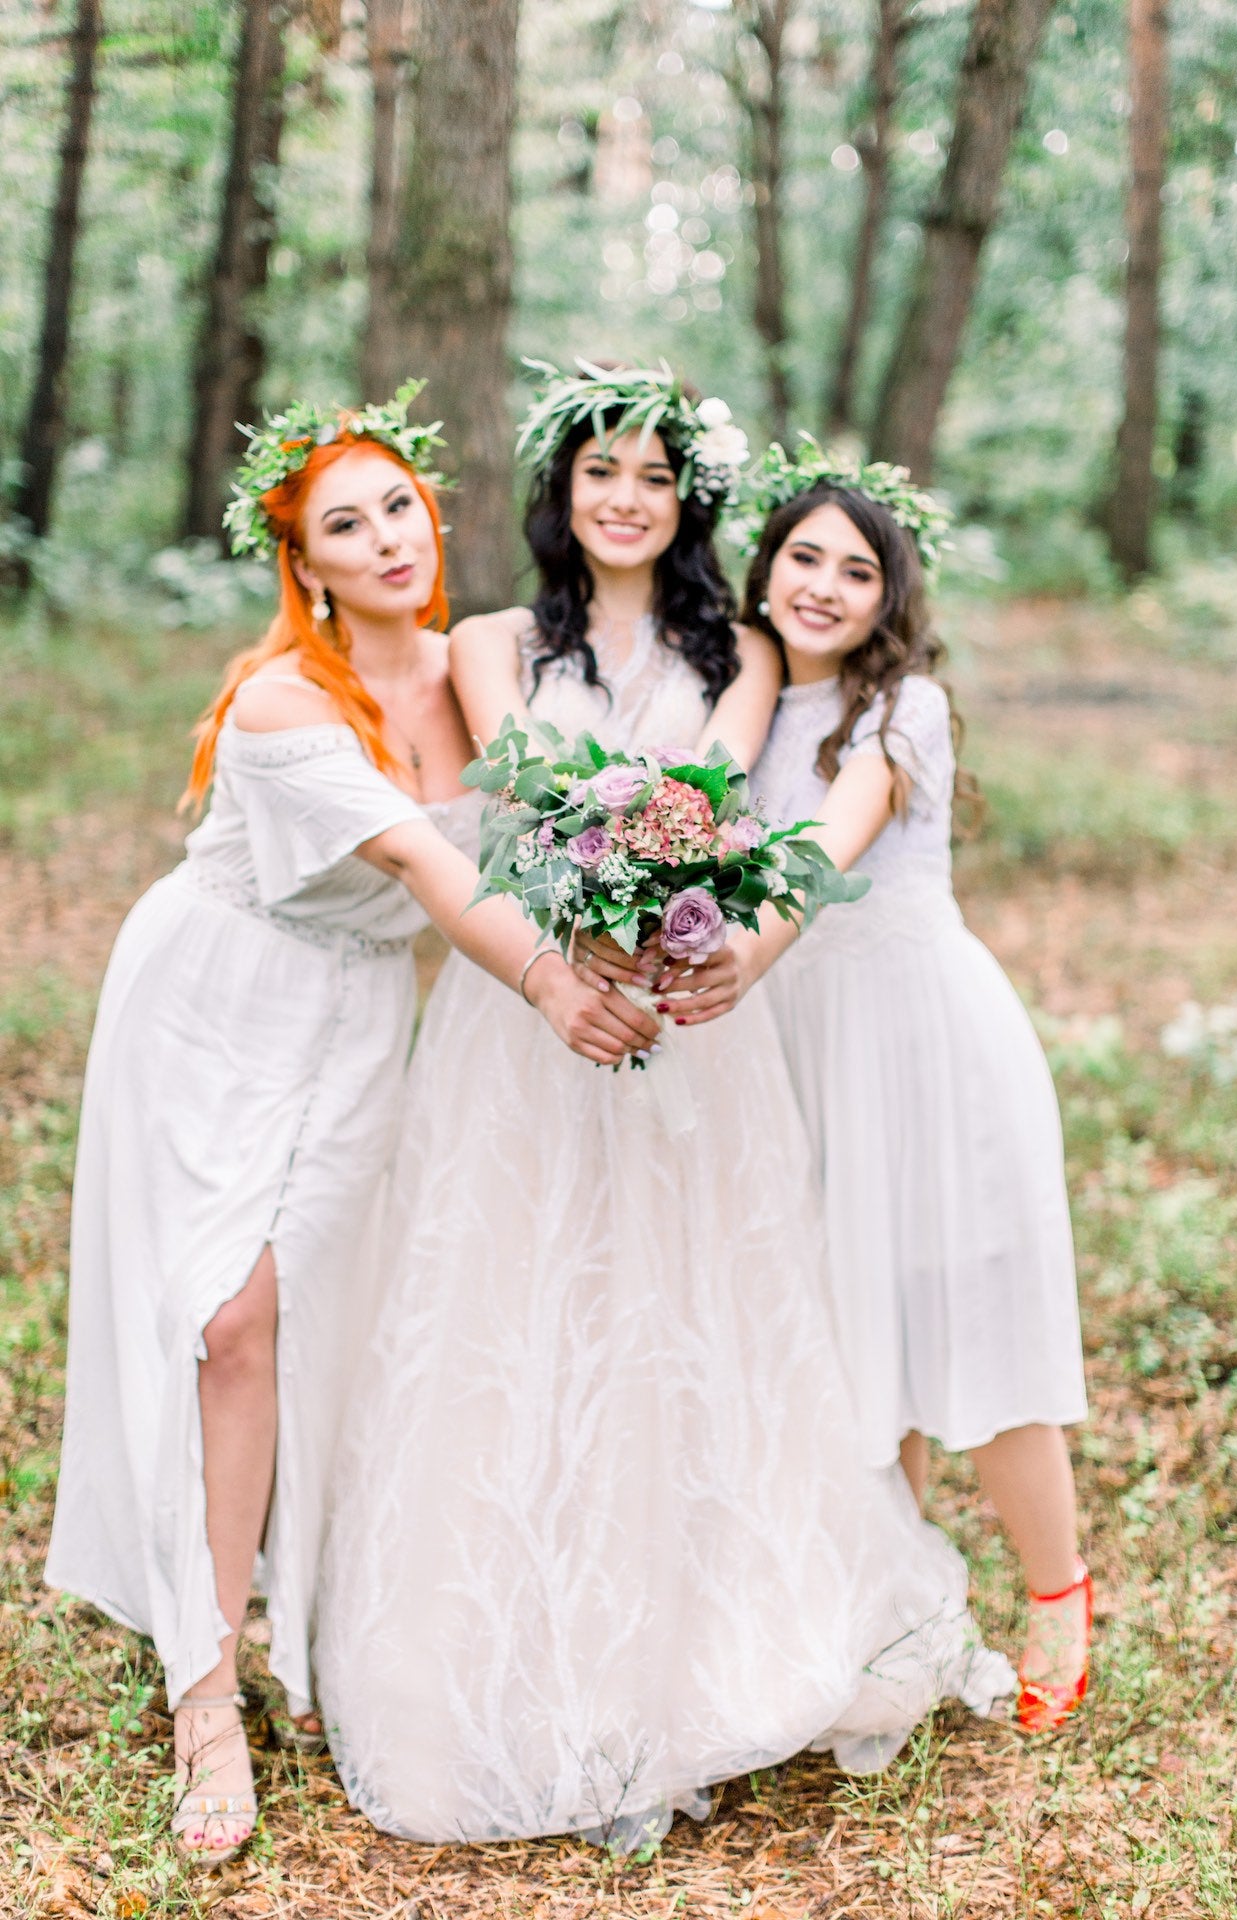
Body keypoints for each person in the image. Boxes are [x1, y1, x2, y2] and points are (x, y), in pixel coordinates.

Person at [315, 363, 1011, 1852]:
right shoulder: (491, 640)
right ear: (562, 497)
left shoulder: (743, 647)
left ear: (686, 498)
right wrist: (583, 929)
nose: (624, 499)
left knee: (692, 1317)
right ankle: (501, 1657)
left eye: (650, 475)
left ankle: (697, 1648)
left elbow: (712, 796)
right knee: (522, 1303)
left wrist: (680, 925)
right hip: (533, 1011)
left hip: (690, 1011)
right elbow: (527, 779)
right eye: (596, 474)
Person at [44, 390, 655, 1867]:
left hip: (364, 1020)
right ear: (301, 563)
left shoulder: (485, 667)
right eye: (346, 525)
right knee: (224, 1316)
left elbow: (564, 820)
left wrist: (654, 923)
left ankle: (302, 1600)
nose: (388, 539)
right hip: (216, 1001)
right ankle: (205, 1689)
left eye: (401, 508)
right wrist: (550, 986)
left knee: (313, 1318)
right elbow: (433, 873)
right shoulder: (281, 705)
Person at [721, 444, 1092, 1733]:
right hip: (802, 1052)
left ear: (892, 598)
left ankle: (1061, 1600)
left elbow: (826, 850)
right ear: (763, 570)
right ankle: (897, 1609)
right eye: (803, 557)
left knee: (970, 1328)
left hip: (924, 1044)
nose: (823, 585)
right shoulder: (741, 704)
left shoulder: (902, 714)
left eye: (857, 569)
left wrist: (734, 954)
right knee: (849, 1332)